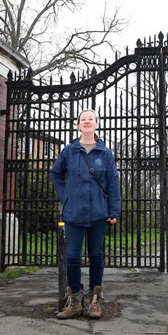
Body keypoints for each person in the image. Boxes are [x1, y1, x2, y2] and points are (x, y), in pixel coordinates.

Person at [50, 109, 121, 319]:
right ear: (78, 125)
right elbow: (55, 173)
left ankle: (95, 301)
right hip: (74, 212)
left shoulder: (104, 153)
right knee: (72, 257)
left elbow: (113, 183)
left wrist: (114, 210)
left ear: (96, 124)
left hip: (98, 213)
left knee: (96, 256)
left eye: (91, 119)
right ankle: (76, 302)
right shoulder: (69, 150)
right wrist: (66, 198)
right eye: (83, 119)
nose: (87, 122)